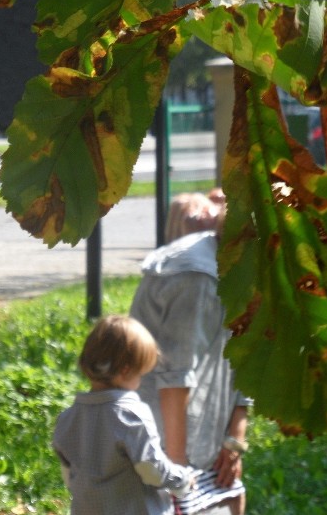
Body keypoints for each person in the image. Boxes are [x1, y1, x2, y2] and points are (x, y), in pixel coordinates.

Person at [130, 191, 252, 515]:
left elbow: (248, 355)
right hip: (160, 444)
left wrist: (234, 439)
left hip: (203, 435)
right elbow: (173, 377)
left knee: (233, 500)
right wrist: (178, 476)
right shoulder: (197, 275)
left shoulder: (243, 267)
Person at [52, 314, 194, 515]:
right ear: (126, 371)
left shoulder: (67, 419)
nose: (140, 382)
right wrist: (182, 480)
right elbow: (151, 469)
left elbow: (69, 477)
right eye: (141, 374)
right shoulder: (131, 415)